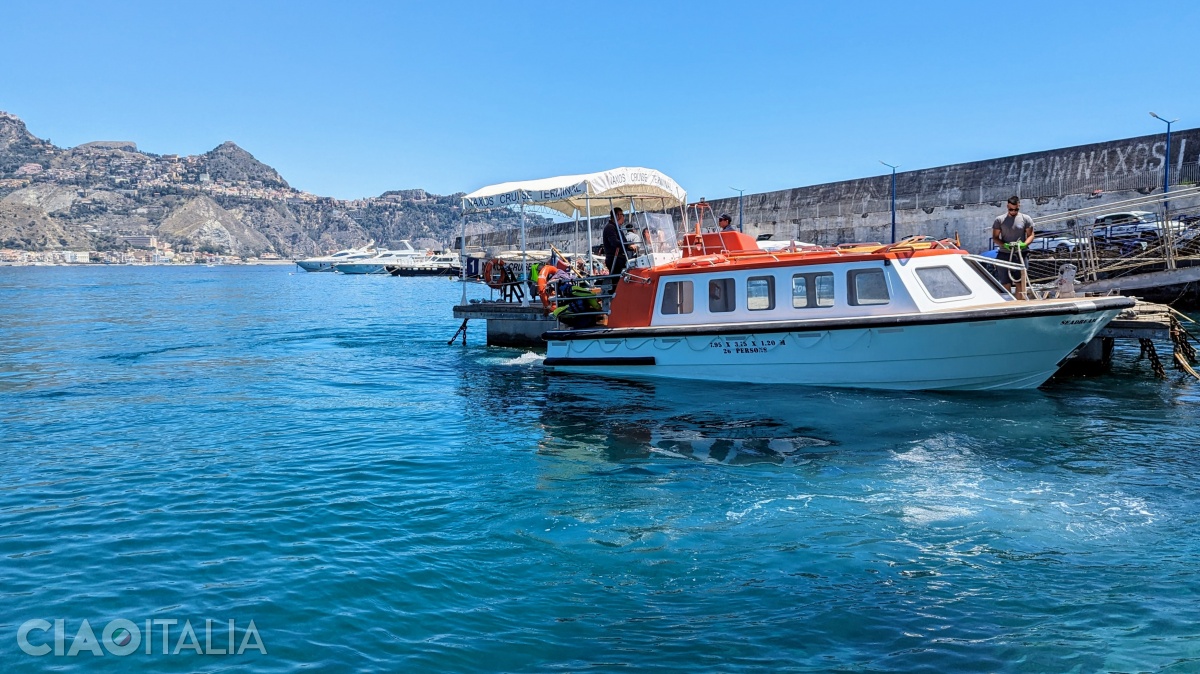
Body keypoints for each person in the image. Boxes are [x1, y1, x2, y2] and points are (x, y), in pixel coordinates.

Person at [992, 196, 1035, 299]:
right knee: (1005, 281)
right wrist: (1004, 245)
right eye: (1011, 209)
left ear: (1019, 206)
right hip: (1004, 254)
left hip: (1020, 254)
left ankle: (1019, 302)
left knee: (1020, 281)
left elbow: (1031, 235)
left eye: (1016, 209)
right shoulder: (999, 220)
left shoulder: (1026, 219)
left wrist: (1024, 244)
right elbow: (995, 237)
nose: (1013, 211)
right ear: (1007, 206)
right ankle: (1008, 303)